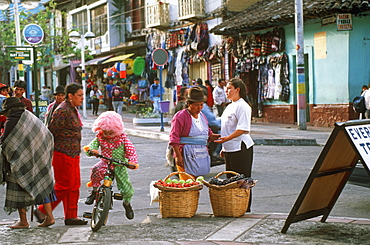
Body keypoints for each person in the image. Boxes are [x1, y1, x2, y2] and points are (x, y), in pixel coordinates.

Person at [36, 83, 88, 226]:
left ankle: (71, 216)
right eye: (79, 95)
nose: (82, 98)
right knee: (65, 185)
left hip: (73, 153)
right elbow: (51, 132)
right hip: (62, 153)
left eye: (83, 95)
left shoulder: (72, 109)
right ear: (70, 96)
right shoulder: (62, 110)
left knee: (75, 185)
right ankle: (42, 209)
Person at [0, 97, 55, 228]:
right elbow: (47, 134)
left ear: (10, 110)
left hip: (21, 160)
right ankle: (50, 217)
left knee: (19, 187)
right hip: (38, 156)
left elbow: (5, 141)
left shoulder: (12, 120)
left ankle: (23, 221)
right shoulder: (29, 116)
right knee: (41, 185)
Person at [83, 111, 139, 219]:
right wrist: (92, 150)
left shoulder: (123, 139)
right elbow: (92, 145)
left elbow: (131, 151)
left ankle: (127, 204)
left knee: (127, 188)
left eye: (111, 133)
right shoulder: (100, 137)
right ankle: (94, 191)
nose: (108, 135)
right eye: (105, 132)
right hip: (105, 162)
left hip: (120, 165)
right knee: (95, 170)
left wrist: (131, 162)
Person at [214, 78, 254, 212]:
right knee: (230, 181)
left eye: (229, 88)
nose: (226, 91)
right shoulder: (229, 106)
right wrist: (224, 147)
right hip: (230, 147)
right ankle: (234, 206)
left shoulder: (243, 106)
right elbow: (227, 129)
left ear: (238, 90)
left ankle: (244, 208)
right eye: (226, 88)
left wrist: (226, 140)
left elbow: (242, 129)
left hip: (241, 147)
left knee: (243, 181)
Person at [169, 87, 220, 180]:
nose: (199, 108)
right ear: (188, 104)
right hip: (185, 155)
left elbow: (206, 131)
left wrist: (214, 136)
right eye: (196, 105)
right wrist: (179, 157)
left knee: (197, 185)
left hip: (201, 155)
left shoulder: (202, 116)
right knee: (188, 185)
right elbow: (174, 138)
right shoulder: (180, 117)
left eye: (201, 105)